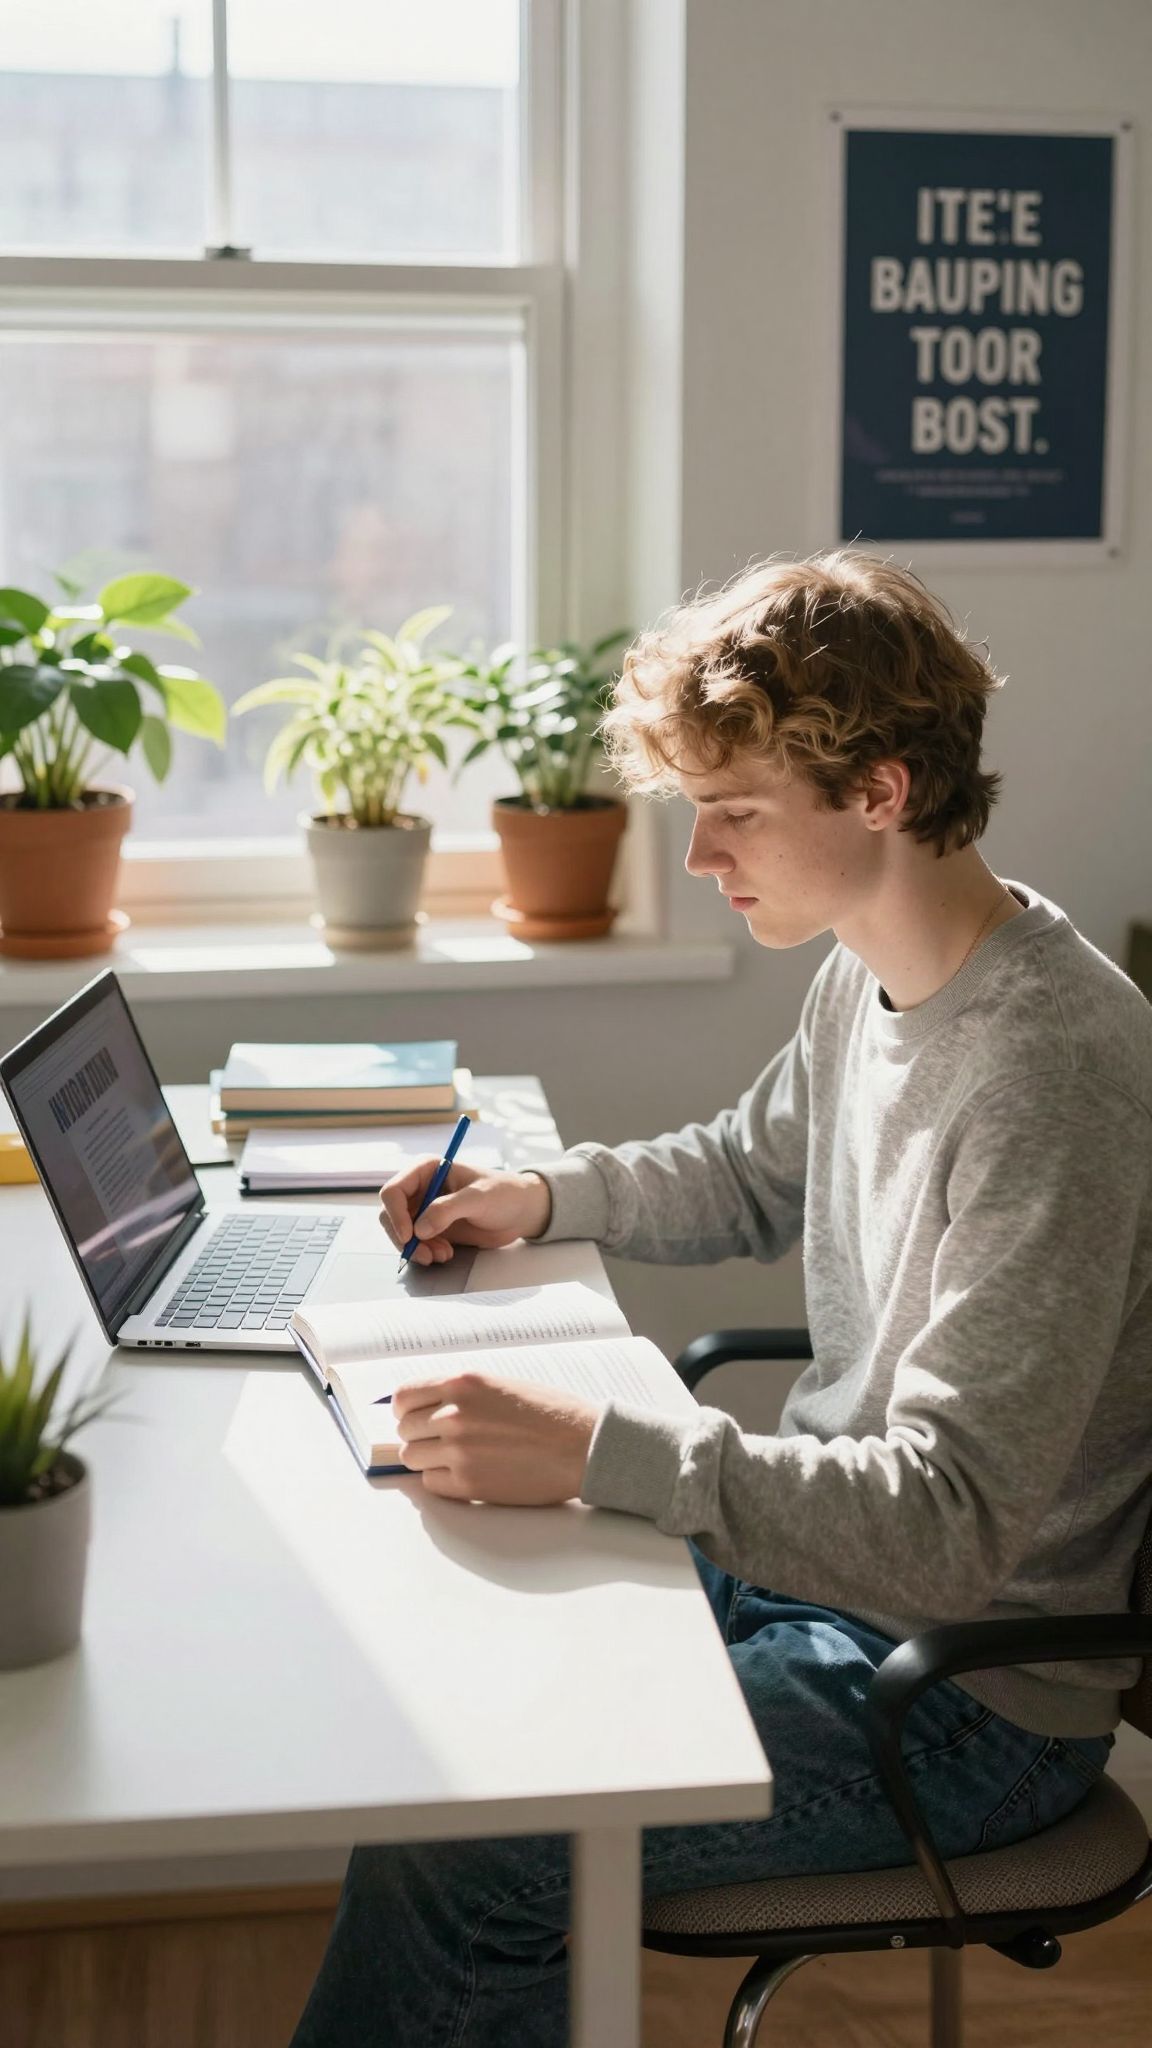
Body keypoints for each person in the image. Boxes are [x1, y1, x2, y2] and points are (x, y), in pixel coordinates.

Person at [290, 552, 1152, 2048]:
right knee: (454, 1683)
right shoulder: (870, 972)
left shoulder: (1050, 1070)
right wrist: (542, 1196)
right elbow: (752, 1170)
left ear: (880, 792)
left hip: (961, 1701)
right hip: (821, 1586)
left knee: (470, 1844)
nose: (698, 857)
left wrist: (603, 1451)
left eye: (734, 813)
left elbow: (953, 1522)